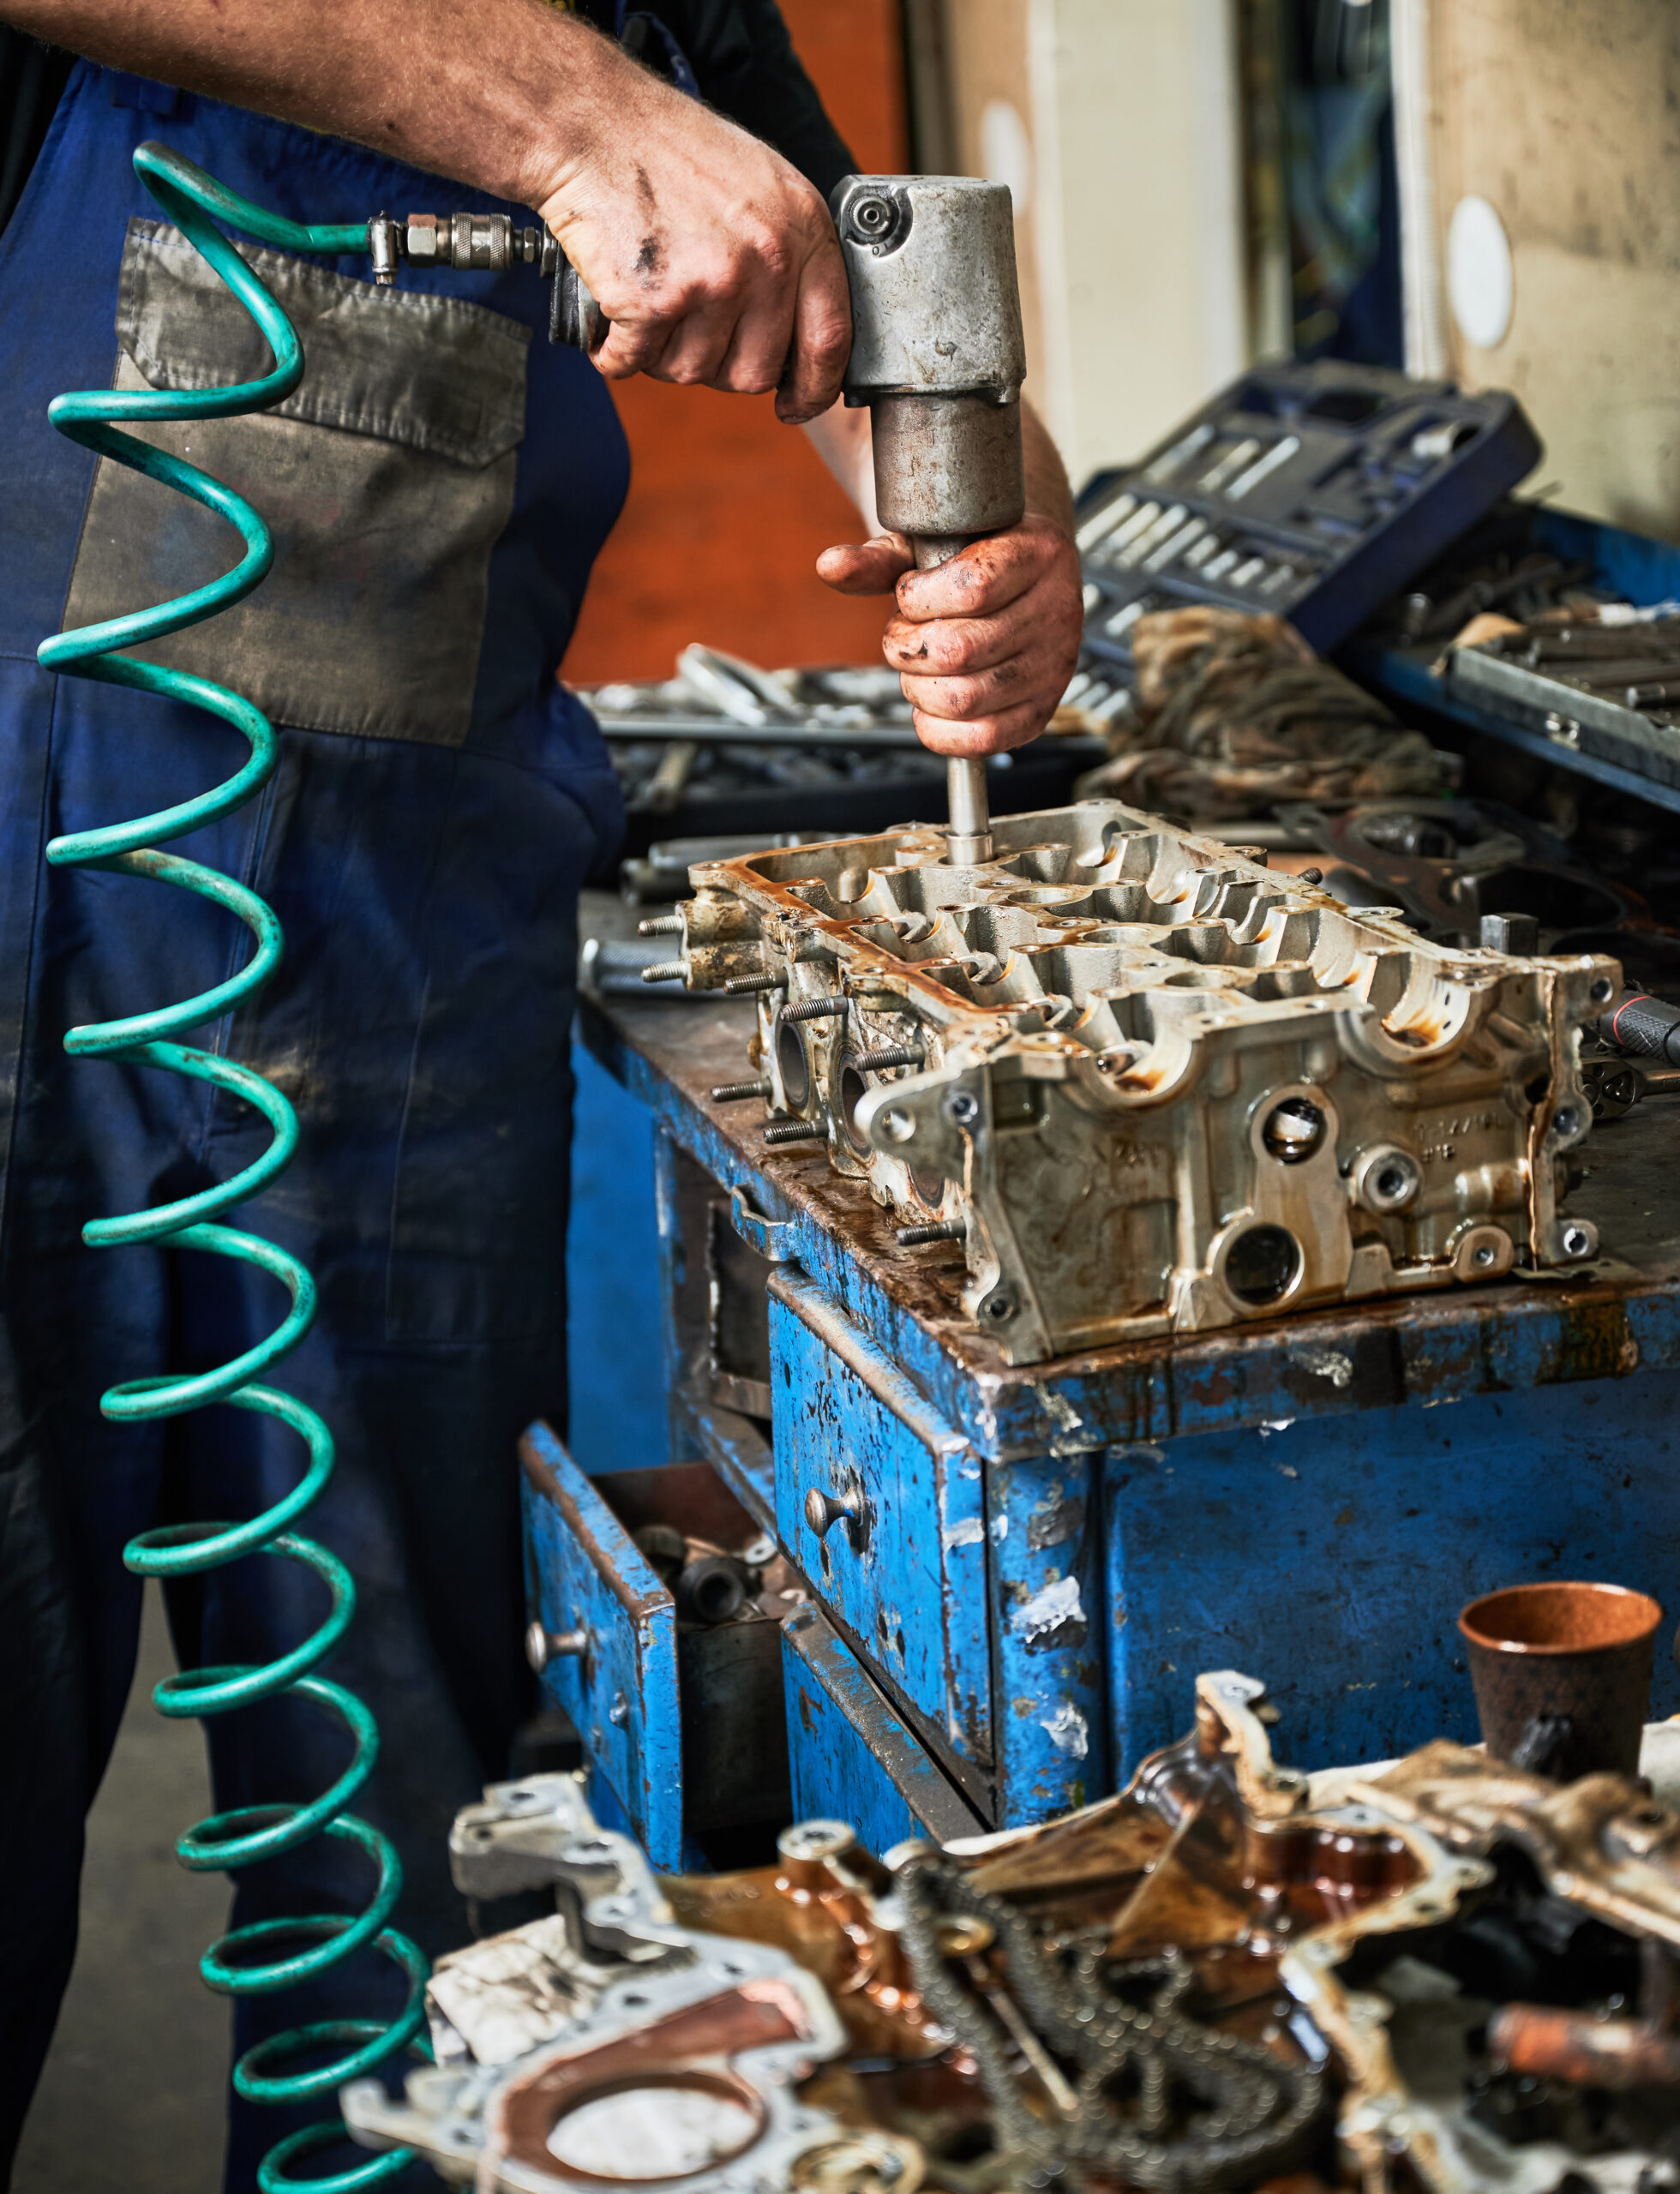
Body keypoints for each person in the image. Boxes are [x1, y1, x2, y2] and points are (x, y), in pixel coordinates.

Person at [0, 2, 1083, 2184]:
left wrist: (1009, 546)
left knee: (400, 1863)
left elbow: (882, 359)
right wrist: (570, 121)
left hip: (401, 1008)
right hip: (23, 923)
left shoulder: (671, 4)